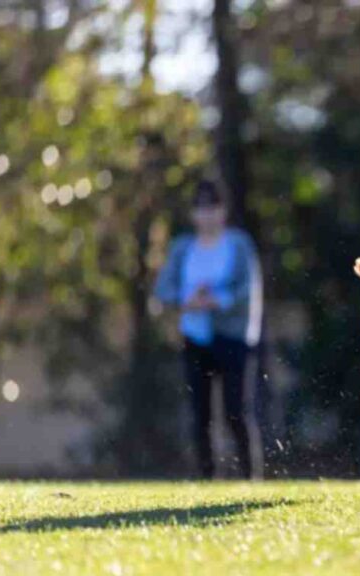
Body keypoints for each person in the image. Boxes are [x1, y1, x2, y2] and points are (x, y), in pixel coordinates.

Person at [154, 180, 263, 479]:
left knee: (235, 411)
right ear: (193, 214)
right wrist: (187, 301)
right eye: (201, 208)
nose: (207, 215)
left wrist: (218, 300)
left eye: (213, 207)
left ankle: (249, 476)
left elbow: (247, 287)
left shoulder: (238, 244)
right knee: (199, 414)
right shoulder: (182, 248)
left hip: (233, 338)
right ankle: (207, 477)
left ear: (223, 211)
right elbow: (163, 290)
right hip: (195, 337)